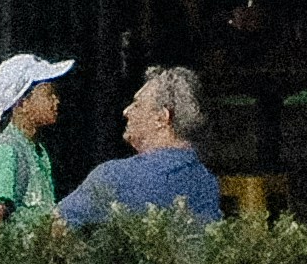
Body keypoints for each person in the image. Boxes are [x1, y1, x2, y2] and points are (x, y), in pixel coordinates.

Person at [60, 64, 222, 225]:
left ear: (161, 118)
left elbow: (53, 227)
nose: (126, 111)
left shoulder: (114, 177)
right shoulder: (206, 182)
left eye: (137, 104)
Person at [0, 54, 72, 236]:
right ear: (23, 103)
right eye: (48, 94)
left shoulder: (38, 149)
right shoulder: (6, 151)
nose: (56, 101)